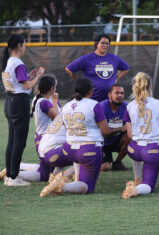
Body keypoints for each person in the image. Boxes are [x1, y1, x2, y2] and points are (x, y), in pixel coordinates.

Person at [40, 78, 112, 197]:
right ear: (90, 91)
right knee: (87, 187)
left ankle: (67, 180)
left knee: (79, 165)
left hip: (70, 149)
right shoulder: (94, 105)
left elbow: (65, 126)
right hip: (88, 149)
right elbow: (105, 131)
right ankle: (62, 185)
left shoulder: (67, 106)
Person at [1, 34, 44, 186]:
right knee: (19, 142)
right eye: (24, 44)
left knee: (12, 141)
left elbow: (22, 82)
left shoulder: (8, 62)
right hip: (19, 103)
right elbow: (27, 86)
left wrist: (29, 76)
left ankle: (9, 175)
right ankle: (13, 177)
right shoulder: (17, 62)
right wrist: (37, 76)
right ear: (19, 45)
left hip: (10, 102)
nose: (25, 47)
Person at [121, 72, 159, 199]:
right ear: (150, 85)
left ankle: (137, 177)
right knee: (149, 187)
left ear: (134, 87)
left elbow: (129, 134)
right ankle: (136, 188)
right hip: (152, 150)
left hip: (134, 150)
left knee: (134, 144)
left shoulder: (129, 106)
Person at [65, 34, 130, 102]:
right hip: (92, 99)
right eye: (102, 43)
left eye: (107, 44)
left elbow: (126, 68)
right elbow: (69, 69)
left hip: (109, 100)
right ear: (96, 44)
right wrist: (79, 80)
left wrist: (116, 78)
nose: (105, 45)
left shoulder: (114, 58)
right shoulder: (87, 58)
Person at [100, 84, 130, 171]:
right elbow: (103, 133)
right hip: (103, 143)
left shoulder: (126, 107)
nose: (120, 95)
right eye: (117, 93)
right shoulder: (102, 107)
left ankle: (117, 162)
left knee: (131, 136)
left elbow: (129, 127)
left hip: (117, 141)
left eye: (122, 93)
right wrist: (121, 129)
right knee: (105, 168)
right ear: (109, 95)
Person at [31, 75, 60, 155]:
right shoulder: (44, 102)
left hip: (45, 138)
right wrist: (55, 100)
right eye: (55, 86)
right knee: (75, 156)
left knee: (47, 167)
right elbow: (58, 120)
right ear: (52, 88)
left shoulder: (39, 97)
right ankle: (20, 165)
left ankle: (20, 165)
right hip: (46, 140)